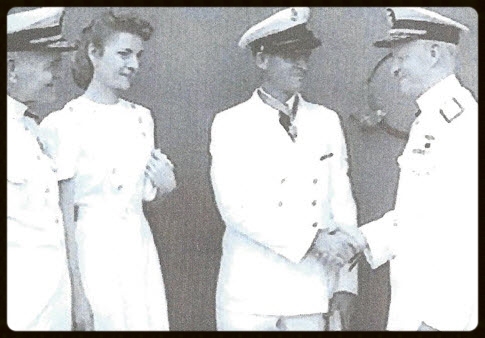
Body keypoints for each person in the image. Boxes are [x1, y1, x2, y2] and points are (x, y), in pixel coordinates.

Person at [210, 7, 365, 331]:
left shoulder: (325, 121)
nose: (302, 64)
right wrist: (312, 240)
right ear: (262, 60)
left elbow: (342, 205)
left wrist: (345, 285)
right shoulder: (231, 124)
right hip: (250, 294)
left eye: (304, 55)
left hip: (310, 290)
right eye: (289, 56)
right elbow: (235, 208)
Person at [40, 10, 176, 331]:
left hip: (139, 250)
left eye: (138, 55)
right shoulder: (62, 123)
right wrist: (77, 296)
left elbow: (140, 195)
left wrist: (165, 187)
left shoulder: (142, 118)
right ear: (94, 54)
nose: (134, 65)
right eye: (124, 54)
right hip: (93, 256)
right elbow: (63, 219)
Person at [349, 7, 478, 331]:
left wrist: (440, 321)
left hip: (437, 318)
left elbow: (467, 230)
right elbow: (421, 216)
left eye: (401, 57)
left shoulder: (462, 124)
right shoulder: (429, 120)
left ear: (434, 53)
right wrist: (362, 240)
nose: (393, 69)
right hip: (413, 310)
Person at [7, 7, 76, 330]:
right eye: (51, 65)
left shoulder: (32, 129)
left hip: (50, 309)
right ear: (11, 69)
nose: (58, 75)